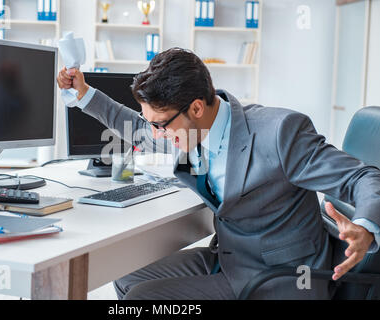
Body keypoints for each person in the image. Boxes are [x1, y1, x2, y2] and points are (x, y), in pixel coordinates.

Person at [57, 47, 380, 299]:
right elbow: (138, 128)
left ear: (196, 107)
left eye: (161, 125)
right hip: (230, 257)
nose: (154, 135)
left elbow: (362, 177)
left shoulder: (278, 133)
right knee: (127, 273)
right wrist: (84, 94)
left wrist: (365, 226)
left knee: (145, 297)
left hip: (283, 277)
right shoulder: (189, 131)